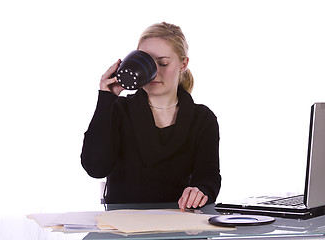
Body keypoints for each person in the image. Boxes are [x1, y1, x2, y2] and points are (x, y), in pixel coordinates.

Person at [81, 22, 221, 211]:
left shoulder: (202, 118)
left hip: (181, 226)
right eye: (146, 61)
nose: (153, 72)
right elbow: (95, 168)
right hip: (124, 229)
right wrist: (107, 98)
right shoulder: (119, 110)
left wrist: (200, 190)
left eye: (163, 63)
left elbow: (209, 177)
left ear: (183, 64)